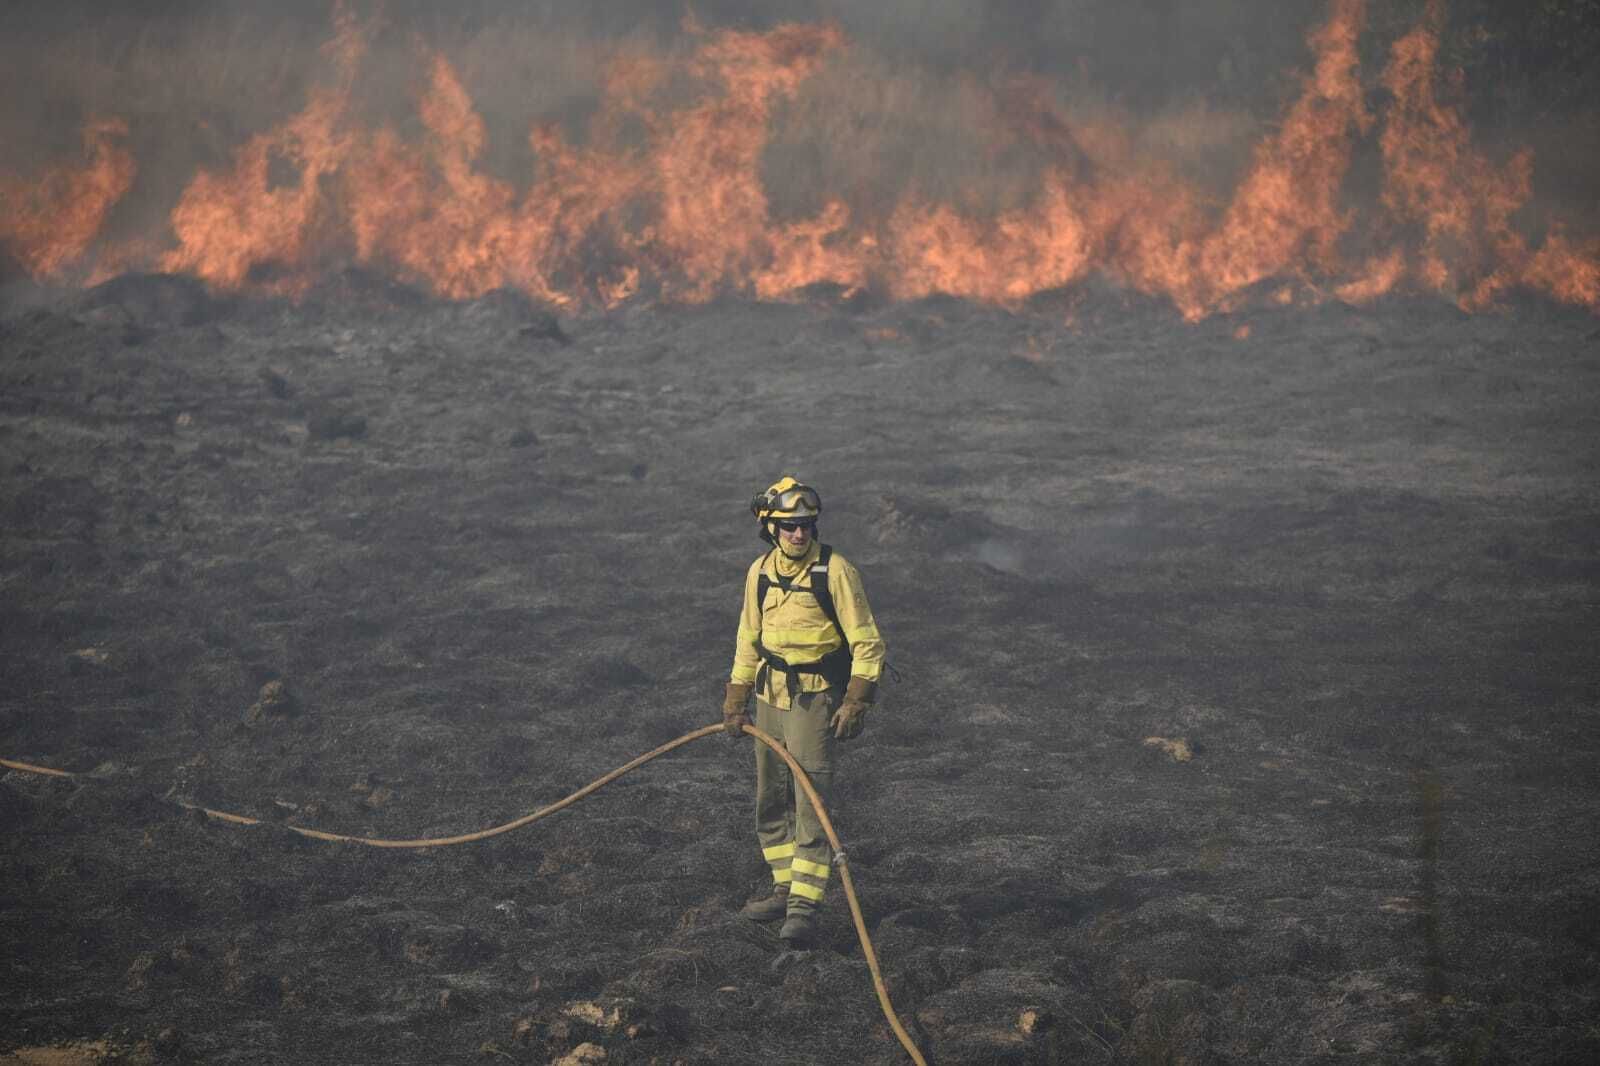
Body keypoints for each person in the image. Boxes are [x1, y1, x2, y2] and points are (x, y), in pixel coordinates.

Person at [721, 476, 886, 946]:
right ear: (771, 528)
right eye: (790, 526)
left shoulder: (835, 572)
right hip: (768, 697)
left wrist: (856, 701)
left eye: (807, 525)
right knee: (770, 799)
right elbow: (747, 638)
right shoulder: (759, 573)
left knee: (810, 802)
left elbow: (867, 642)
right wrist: (736, 698)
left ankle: (803, 908)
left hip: (815, 700)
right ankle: (783, 887)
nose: (800, 534)